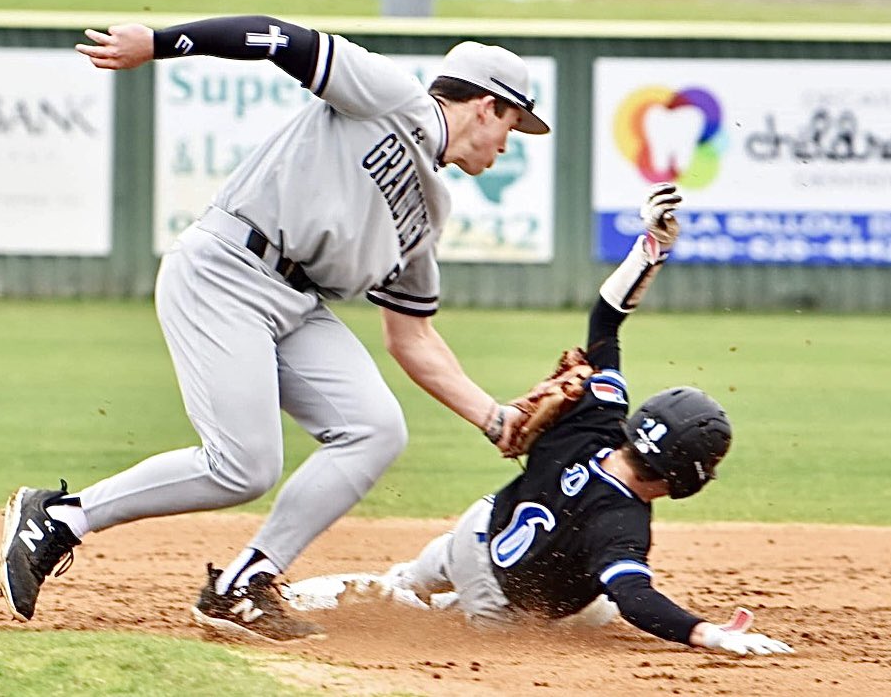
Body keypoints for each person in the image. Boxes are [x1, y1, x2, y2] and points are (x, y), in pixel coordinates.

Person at [0, 14, 549, 641]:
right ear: (485, 106)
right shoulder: (392, 97)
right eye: (512, 123)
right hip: (228, 268)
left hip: (297, 304)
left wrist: (494, 418)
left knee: (375, 429)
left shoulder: (431, 209)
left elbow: (412, 337)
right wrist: (159, 44)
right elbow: (275, 37)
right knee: (244, 466)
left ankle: (243, 586)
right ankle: (61, 517)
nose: (509, 142)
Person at [287, 186, 794, 657]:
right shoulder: (621, 522)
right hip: (499, 598)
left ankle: (348, 592)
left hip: (477, 529)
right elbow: (636, 598)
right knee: (525, 623)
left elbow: (605, 321)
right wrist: (706, 633)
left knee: (419, 581)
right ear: (683, 477)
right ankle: (403, 607)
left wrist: (648, 250)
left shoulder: (597, 419)